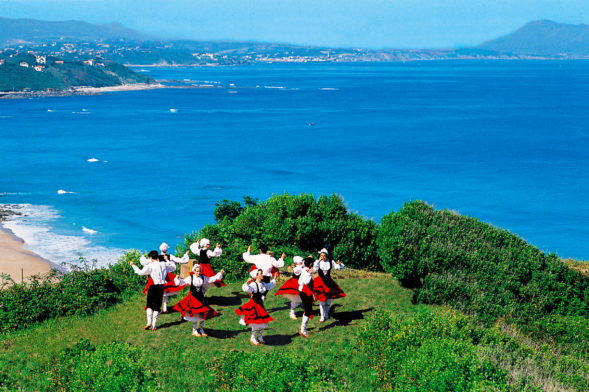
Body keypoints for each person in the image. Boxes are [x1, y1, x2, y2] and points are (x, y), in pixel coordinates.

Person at [172, 264, 224, 337]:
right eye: (196, 271)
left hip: (200, 298)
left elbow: (211, 279)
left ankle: (201, 329)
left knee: (203, 313)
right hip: (193, 298)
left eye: (199, 271)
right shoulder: (190, 278)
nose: (198, 273)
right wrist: (177, 278)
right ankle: (194, 330)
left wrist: (220, 273)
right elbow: (182, 282)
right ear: (194, 271)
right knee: (195, 314)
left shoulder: (202, 277)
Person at [131, 250, 177, 331]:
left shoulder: (150, 266)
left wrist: (133, 265)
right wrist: (167, 260)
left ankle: (148, 322)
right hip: (161, 287)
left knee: (149, 304)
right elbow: (173, 267)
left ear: (151, 258)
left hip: (152, 287)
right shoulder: (163, 264)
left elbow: (140, 272)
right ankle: (154, 325)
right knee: (157, 305)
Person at [141, 242, 189, 313]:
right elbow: (181, 260)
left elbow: (144, 262)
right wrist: (186, 255)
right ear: (166, 250)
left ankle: (156, 308)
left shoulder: (156, 257)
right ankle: (164, 308)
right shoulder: (170, 256)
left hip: (158, 277)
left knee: (157, 293)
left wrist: (142, 257)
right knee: (166, 292)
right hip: (168, 277)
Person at [235, 269, 276, 345]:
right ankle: (253, 338)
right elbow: (247, 288)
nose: (262, 275)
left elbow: (270, 286)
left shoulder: (263, 283)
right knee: (256, 322)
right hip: (254, 304)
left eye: (262, 273)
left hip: (260, 304)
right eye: (260, 274)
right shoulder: (254, 284)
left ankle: (260, 337)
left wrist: (274, 279)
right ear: (256, 276)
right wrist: (247, 282)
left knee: (264, 321)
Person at [313, 248, 346, 322]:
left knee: (328, 300)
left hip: (329, 282)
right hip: (320, 282)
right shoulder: (317, 262)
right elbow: (314, 270)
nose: (322, 257)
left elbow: (339, 268)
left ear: (326, 255)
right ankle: (322, 317)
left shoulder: (331, 261)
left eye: (324, 256)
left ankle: (327, 315)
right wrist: (318, 261)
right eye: (321, 255)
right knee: (322, 300)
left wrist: (340, 264)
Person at [298, 257, 316, 337]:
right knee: (308, 311)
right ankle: (303, 329)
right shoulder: (306, 271)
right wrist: (310, 273)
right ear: (311, 264)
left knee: (308, 310)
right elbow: (306, 281)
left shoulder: (305, 270)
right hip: (304, 292)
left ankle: (302, 327)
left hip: (305, 292)